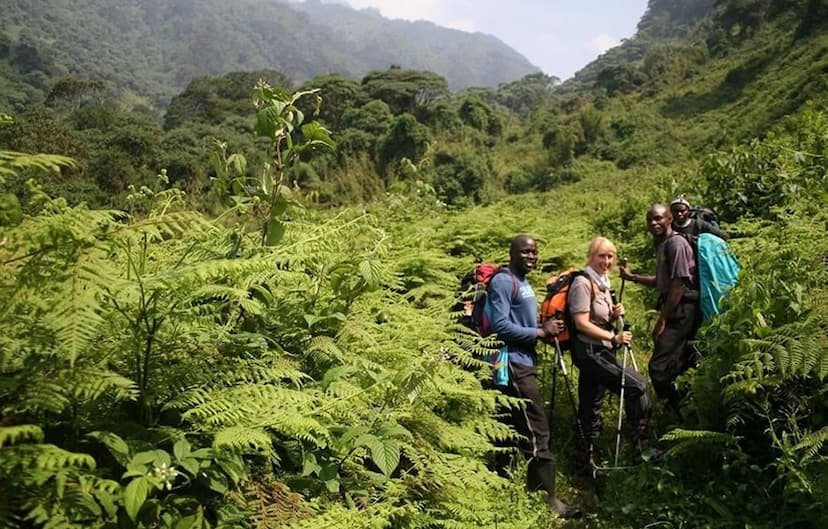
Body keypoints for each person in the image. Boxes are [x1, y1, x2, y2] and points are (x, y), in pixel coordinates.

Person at [488, 234, 581, 520]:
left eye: (534, 252)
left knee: (511, 430)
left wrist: (545, 326)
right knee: (538, 430)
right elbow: (499, 325)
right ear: (512, 253)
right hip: (513, 365)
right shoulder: (504, 281)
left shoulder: (524, 282)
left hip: (524, 361)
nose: (531, 256)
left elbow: (520, 323)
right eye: (525, 251)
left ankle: (504, 489)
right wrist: (539, 332)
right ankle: (548, 501)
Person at [568, 237, 653, 476]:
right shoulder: (583, 283)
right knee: (637, 386)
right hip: (590, 352)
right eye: (601, 256)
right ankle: (641, 447)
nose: (606, 261)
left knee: (591, 406)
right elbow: (581, 323)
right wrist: (613, 337)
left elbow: (597, 317)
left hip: (599, 351)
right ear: (591, 256)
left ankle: (584, 463)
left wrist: (614, 315)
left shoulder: (602, 283)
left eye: (610, 256)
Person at [620, 204, 699, 420]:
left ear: (669, 219)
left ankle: (675, 413)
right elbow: (661, 281)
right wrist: (632, 277)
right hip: (676, 306)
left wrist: (662, 320)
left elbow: (678, 286)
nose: (654, 223)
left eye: (658, 219)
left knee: (658, 367)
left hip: (682, 308)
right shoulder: (663, 245)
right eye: (650, 220)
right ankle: (683, 413)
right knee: (677, 363)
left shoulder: (676, 244)